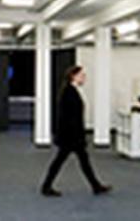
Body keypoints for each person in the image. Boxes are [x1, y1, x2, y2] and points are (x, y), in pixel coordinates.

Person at [41, 65, 112, 197]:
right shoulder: (69, 92)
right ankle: (46, 186)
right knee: (63, 161)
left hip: (72, 136)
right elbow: (69, 118)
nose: (84, 78)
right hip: (71, 136)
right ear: (73, 76)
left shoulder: (71, 91)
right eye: (81, 75)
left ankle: (95, 186)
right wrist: (78, 137)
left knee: (80, 161)